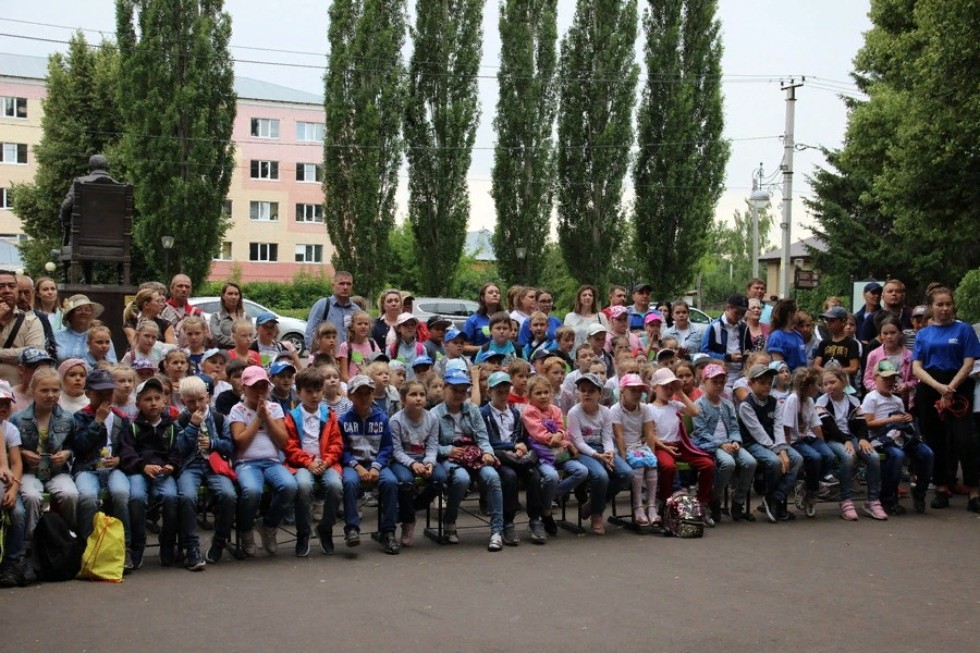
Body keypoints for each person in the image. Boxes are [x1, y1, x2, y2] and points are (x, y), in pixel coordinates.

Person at [911, 286, 979, 511]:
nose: (944, 308)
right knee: (935, 441)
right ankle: (941, 488)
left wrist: (950, 388)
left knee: (964, 440)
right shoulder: (923, 334)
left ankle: (974, 491)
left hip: (959, 386)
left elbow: (969, 362)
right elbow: (916, 366)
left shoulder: (964, 330)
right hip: (931, 386)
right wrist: (939, 387)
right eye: (939, 304)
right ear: (931, 308)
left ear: (953, 306)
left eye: (948, 304)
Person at [432, 369, 505, 551]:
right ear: (444, 388)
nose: (459, 394)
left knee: (492, 477)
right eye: (454, 389)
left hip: (474, 455)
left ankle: (497, 530)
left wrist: (488, 452)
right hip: (451, 457)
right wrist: (448, 450)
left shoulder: (472, 409)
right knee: (461, 479)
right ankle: (450, 521)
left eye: (463, 390)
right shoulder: (434, 414)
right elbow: (432, 445)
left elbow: (482, 436)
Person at [230, 366, 297, 557]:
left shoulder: (274, 408)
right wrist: (257, 419)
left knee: (289, 486)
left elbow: (283, 441)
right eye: (254, 387)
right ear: (244, 388)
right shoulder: (238, 410)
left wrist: (267, 417)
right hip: (246, 462)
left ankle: (268, 526)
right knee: (252, 491)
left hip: (272, 461)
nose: (260, 392)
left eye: (263, 387)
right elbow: (240, 442)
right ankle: (245, 530)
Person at [174, 375, 237, 569]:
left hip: (215, 465)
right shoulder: (181, 420)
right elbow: (178, 449)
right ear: (183, 400)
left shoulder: (218, 418)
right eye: (191, 401)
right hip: (191, 465)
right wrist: (192, 426)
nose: (197, 405)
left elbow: (230, 446)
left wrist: (213, 443)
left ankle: (219, 540)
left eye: (200, 399)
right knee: (187, 497)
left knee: (228, 495)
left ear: (208, 397)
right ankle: (191, 547)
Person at [118, 377, 180, 569]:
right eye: (147, 399)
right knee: (135, 497)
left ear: (164, 401)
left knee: (171, 497)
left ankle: (167, 543)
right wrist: (142, 466)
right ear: (138, 404)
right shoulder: (132, 426)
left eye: (157, 398)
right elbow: (126, 452)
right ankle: (137, 543)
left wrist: (172, 465)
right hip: (139, 472)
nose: (153, 403)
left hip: (163, 473)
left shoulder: (171, 426)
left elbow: (178, 451)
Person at [282, 366, 344, 556]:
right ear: (299, 392)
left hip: (326, 463)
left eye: (317, 390)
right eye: (308, 391)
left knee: (335, 486)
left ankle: (325, 528)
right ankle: (303, 532)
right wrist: (308, 463)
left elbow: (337, 443)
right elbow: (290, 447)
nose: (314, 395)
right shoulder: (292, 417)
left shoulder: (329, 415)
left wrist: (325, 462)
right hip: (302, 464)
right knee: (303, 486)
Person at [481, 372, 548, 544]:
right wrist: (512, 447)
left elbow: (522, 437)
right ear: (490, 392)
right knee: (509, 476)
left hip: (517, 455)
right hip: (499, 456)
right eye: (498, 391)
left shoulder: (515, 413)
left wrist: (521, 447)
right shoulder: (484, 413)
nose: (503, 395)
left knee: (534, 475)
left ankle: (535, 519)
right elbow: (488, 439)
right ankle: (508, 522)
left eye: (505, 391)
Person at [338, 374, 400, 554]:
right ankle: (351, 529)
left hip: (377, 464)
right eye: (359, 394)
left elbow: (387, 447)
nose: (364, 398)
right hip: (353, 465)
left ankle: (387, 532)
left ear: (373, 395)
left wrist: (376, 466)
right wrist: (357, 467)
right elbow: (342, 450)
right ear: (350, 396)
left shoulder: (382, 419)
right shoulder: (343, 420)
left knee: (390, 482)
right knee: (349, 482)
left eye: (367, 393)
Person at [521, 375, 587, 540]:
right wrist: (555, 437)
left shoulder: (555, 410)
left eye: (546, 392)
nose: (543, 396)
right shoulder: (529, 411)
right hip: (542, 454)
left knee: (582, 471)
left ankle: (549, 498)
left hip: (560, 452)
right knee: (551, 476)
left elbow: (562, 429)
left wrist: (560, 434)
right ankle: (547, 512)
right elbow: (538, 433)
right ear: (529, 396)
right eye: (538, 393)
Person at [816, 369, 887, 520]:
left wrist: (862, 438)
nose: (829, 386)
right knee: (848, 458)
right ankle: (845, 500)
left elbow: (861, 424)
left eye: (833, 382)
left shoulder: (853, 401)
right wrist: (845, 441)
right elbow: (829, 428)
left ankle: (872, 500)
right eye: (825, 384)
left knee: (873, 457)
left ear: (843, 381)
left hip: (851, 437)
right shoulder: (822, 403)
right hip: (833, 440)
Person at [692, 364, 758, 524]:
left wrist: (735, 441)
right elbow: (701, 432)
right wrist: (721, 444)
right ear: (705, 381)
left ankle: (738, 502)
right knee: (728, 464)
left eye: (722, 382)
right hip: (711, 444)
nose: (719, 386)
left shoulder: (727, 404)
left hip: (729, 443)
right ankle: (715, 498)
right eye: (715, 382)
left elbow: (734, 427)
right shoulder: (699, 405)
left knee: (750, 462)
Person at [737, 364, 803, 522]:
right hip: (753, 444)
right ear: (751, 384)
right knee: (774, 462)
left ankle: (774, 497)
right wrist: (779, 451)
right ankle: (772, 497)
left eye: (769, 382)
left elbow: (778, 427)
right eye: (762, 382)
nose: (767, 386)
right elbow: (758, 433)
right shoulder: (746, 405)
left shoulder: (775, 402)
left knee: (797, 459)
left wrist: (782, 447)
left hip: (775, 443)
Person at [567, 372, 631, 535]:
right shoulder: (574, 412)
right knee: (600, 476)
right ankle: (597, 514)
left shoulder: (605, 412)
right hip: (584, 452)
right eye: (582, 390)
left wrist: (609, 454)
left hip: (603, 449)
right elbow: (579, 442)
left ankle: (594, 503)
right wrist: (597, 456)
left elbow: (607, 438)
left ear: (600, 394)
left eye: (591, 390)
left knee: (626, 473)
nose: (586, 394)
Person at [648, 367, 714, 520]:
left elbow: (695, 412)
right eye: (665, 386)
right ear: (655, 388)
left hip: (681, 445)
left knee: (707, 464)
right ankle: (664, 501)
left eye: (672, 386)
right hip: (662, 446)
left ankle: (702, 502)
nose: (669, 390)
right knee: (668, 467)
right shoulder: (649, 409)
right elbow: (649, 434)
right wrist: (664, 447)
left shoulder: (675, 405)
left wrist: (681, 393)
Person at [389, 379, 444, 547]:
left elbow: (433, 445)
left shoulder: (432, 418)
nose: (418, 398)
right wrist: (413, 464)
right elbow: (396, 451)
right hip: (403, 460)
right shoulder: (396, 421)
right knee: (405, 482)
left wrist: (429, 462)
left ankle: (407, 511)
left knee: (440, 478)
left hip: (424, 458)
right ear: (403, 399)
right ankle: (409, 521)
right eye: (413, 395)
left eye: (422, 394)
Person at [783, 367, 835, 517]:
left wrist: (823, 444)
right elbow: (786, 426)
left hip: (808, 437)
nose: (818, 388)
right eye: (817, 385)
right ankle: (812, 493)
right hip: (795, 440)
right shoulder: (793, 399)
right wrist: (786, 447)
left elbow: (815, 423)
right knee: (814, 457)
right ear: (808, 386)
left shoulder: (810, 400)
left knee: (829, 455)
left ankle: (807, 484)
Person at [0, 385, 27, 587]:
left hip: (7, 484)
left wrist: (14, 489)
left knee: (17, 513)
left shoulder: (10, 429)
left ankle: (12, 563)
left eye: (6, 403)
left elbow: (16, 463)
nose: (2, 408)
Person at [0, 270, 46, 385]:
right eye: (0, 286)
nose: (7, 290)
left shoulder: (31, 321)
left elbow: (35, 352)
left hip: (14, 396)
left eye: (11, 286)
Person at [863, 316, 916, 407]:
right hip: (880, 401)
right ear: (880, 336)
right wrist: (881, 388)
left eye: (893, 333)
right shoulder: (874, 355)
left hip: (903, 400)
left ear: (900, 334)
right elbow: (867, 379)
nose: (889, 336)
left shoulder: (909, 355)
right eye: (885, 333)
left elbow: (915, 379)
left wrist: (906, 385)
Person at [701, 294, 749, 383]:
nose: (739, 317)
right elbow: (705, 352)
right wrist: (728, 357)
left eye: (742, 314)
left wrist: (747, 355)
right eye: (737, 313)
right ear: (728, 308)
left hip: (742, 373)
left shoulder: (744, 327)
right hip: (721, 372)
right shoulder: (714, 327)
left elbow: (749, 348)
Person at [305, 271, 356, 350]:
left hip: (350, 359)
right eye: (341, 283)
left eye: (348, 284)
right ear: (333, 286)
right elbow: (310, 332)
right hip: (328, 358)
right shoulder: (323, 305)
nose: (345, 287)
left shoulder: (356, 310)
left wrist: (358, 359)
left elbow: (360, 338)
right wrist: (316, 356)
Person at [859, 279, 914, 346]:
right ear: (882, 296)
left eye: (898, 291)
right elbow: (864, 343)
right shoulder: (872, 318)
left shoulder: (912, 314)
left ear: (903, 295)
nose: (894, 294)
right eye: (890, 291)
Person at [16, 275, 56, 362]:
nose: (22, 297)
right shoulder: (4, 316)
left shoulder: (41, 317)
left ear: (33, 292)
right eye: (19, 292)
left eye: (26, 292)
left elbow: (51, 346)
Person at [813, 306, 860, 380]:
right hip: (826, 382)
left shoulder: (851, 344)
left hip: (845, 383)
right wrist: (827, 372)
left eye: (832, 321)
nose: (828, 323)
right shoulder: (824, 343)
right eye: (827, 320)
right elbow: (816, 365)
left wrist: (836, 372)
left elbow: (854, 368)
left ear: (843, 322)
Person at [766, 299, 808, 372]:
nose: (799, 314)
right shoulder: (777, 336)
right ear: (790, 314)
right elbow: (778, 366)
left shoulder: (798, 335)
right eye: (797, 311)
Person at [337, 310, 380, 381]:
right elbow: (343, 375)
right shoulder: (345, 346)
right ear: (352, 327)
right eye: (359, 324)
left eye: (366, 324)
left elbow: (378, 367)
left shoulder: (373, 344)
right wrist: (354, 385)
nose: (363, 326)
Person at [463, 283, 503, 354]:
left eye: (497, 293)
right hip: (481, 361)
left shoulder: (505, 318)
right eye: (490, 292)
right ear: (482, 297)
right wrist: (485, 348)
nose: (495, 294)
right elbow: (464, 347)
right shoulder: (473, 320)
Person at [209, 283, 249, 350]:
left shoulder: (246, 317)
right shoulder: (216, 317)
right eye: (230, 294)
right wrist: (240, 341)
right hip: (223, 355)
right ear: (223, 296)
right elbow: (218, 337)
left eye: (236, 294)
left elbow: (252, 336)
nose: (233, 297)